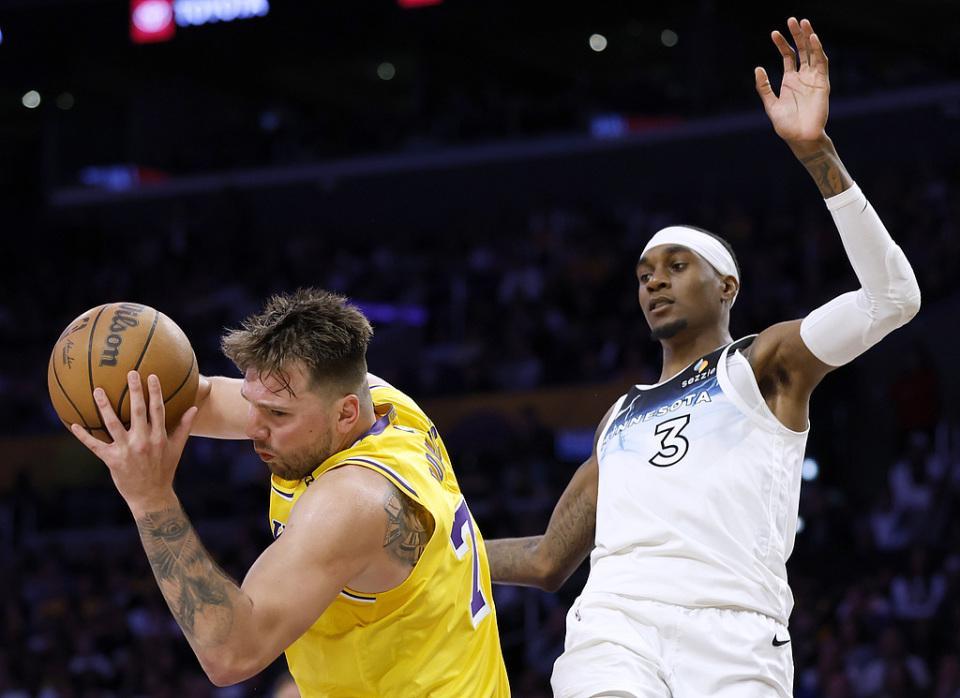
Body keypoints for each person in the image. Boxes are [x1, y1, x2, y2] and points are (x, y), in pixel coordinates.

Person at [485, 17, 921, 697]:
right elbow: (546, 560)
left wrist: (817, 154)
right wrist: (430, 552)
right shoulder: (619, 417)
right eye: (643, 273)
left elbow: (893, 298)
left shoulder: (763, 364)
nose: (654, 281)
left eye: (675, 265)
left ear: (727, 286)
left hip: (737, 637)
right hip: (616, 627)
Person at [69, 289, 510, 696]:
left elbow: (230, 654)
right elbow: (200, 397)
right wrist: (112, 391)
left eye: (277, 414)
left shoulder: (352, 502)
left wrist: (150, 498)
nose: (254, 427)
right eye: (252, 402)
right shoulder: (381, 405)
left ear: (345, 414)